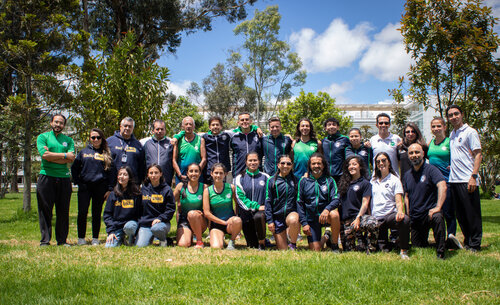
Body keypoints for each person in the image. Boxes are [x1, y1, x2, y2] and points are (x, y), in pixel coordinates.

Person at [447, 105, 483, 252]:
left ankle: (475, 244)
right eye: (450, 115)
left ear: (462, 115)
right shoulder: (452, 134)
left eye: (456, 114)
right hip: (454, 179)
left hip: (467, 179)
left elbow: (478, 154)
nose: (454, 117)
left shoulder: (470, 132)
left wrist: (473, 176)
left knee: (472, 213)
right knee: (461, 214)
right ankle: (467, 241)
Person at [36, 114, 75, 246]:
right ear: (51, 123)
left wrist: (52, 156)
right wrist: (64, 155)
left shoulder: (68, 140)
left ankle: (62, 240)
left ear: (64, 125)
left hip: (64, 178)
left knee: (63, 210)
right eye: (56, 122)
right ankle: (45, 240)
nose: (58, 125)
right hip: (46, 176)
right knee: (45, 210)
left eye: (61, 123)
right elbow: (45, 155)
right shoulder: (43, 137)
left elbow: (71, 158)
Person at [403, 143, 447, 259]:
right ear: (408, 156)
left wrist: (438, 207)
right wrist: (408, 214)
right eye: (411, 153)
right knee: (418, 246)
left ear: (423, 154)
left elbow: (442, 186)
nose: (414, 155)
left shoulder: (431, 170)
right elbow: (406, 196)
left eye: (417, 152)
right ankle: (445, 243)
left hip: (430, 214)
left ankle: (441, 251)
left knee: (438, 217)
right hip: (416, 217)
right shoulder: (407, 175)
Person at [71, 128, 113, 246]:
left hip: (100, 188)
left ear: (102, 139)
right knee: (82, 212)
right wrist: (78, 182)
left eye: (98, 137)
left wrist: (109, 189)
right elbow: (74, 168)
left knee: (96, 213)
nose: (95, 140)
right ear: (89, 139)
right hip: (85, 187)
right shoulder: (83, 152)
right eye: (93, 137)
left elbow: (111, 172)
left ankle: (95, 238)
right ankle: (81, 238)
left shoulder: (107, 153)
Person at [428, 116, 462, 249]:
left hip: (446, 181)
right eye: (434, 126)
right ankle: (439, 237)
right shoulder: (431, 143)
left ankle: (451, 237)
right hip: (433, 184)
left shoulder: (449, 142)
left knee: (448, 211)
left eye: (438, 126)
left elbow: (458, 157)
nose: (436, 129)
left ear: (444, 127)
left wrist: (452, 165)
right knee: (437, 211)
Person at [297, 153, 340, 251]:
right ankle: (327, 236)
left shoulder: (330, 180)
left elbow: (336, 199)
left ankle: (334, 245)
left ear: (323, 165)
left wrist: (327, 209)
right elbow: (300, 203)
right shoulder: (303, 181)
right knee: (315, 250)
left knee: (335, 214)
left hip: (325, 216)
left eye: (319, 163)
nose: (316, 166)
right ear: (310, 166)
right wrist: (304, 223)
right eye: (313, 164)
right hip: (311, 219)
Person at [370, 152, 411, 259]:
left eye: (383, 160)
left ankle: (403, 250)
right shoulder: (373, 181)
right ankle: (389, 243)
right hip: (376, 219)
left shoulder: (394, 180)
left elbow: (398, 200)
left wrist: (400, 212)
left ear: (389, 162)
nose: (381, 163)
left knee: (405, 220)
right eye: (378, 162)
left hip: (389, 215)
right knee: (381, 248)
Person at [338, 155, 377, 253]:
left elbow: (365, 203)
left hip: (359, 218)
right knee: (349, 251)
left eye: (354, 164)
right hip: (346, 222)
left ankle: (371, 249)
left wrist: (358, 218)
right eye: (349, 165)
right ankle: (360, 241)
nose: (351, 166)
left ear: (360, 167)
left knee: (373, 223)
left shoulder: (365, 183)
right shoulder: (343, 183)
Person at [234, 152, 270, 250]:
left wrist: (264, 207)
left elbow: (269, 195)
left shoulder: (265, 177)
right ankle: (261, 240)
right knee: (252, 245)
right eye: (250, 160)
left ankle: (262, 243)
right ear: (246, 162)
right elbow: (240, 198)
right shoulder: (239, 178)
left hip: (261, 212)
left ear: (259, 162)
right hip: (246, 213)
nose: (252, 162)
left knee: (259, 216)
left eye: (255, 160)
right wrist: (255, 206)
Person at [203, 163, 243, 249]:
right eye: (216, 173)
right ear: (211, 174)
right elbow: (207, 213)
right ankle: (221, 239)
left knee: (238, 220)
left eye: (221, 173)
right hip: (216, 224)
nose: (218, 175)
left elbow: (237, 204)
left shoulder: (231, 188)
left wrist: (234, 218)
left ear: (225, 174)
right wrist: (223, 222)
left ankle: (232, 241)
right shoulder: (207, 191)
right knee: (216, 247)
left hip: (230, 223)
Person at [265, 155, 300, 250]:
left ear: (292, 166)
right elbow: (268, 201)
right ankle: (286, 237)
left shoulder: (296, 180)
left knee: (294, 220)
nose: (285, 165)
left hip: (291, 214)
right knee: (283, 249)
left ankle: (293, 244)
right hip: (277, 217)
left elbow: (300, 201)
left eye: (288, 163)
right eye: (283, 163)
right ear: (278, 165)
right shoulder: (271, 180)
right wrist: (270, 221)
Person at [136, 164, 175, 247]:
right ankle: (149, 237)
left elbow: (171, 209)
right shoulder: (143, 189)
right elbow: (138, 207)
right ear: (148, 174)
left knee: (156, 228)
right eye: (151, 173)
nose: (153, 175)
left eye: (156, 173)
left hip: (161, 223)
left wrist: (160, 218)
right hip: (146, 224)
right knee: (140, 246)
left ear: (161, 174)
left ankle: (163, 240)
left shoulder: (167, 189)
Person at [103, 166, 142, 247]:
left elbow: (140, 213)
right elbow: (107, 215)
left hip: (131, 225)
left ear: (130, 178)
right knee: (109, 247)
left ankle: (131, 239)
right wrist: (111, 232)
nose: (122, 177)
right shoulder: (113, 194)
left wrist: (138, 229)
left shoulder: (136, 194)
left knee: (130, 227)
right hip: (117, 227)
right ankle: (121, 239)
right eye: (120, 174)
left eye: (125, 174)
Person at [174, 163, 207, 248]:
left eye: (196, 171)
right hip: (184, 220)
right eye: (191, 171)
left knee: (192, 214)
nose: (193, 173)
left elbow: (210, 208)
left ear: (200, 173)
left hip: (199, 220)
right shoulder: (180, 186)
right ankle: (190, 235)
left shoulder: (204, 187)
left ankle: (199, 241)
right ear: (187, 173)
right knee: (183, 244)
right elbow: (170, 203)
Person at [107, 117, 145, 184]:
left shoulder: (138, 145)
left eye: (130, 127)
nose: (127, 128)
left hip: (132, 184)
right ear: (120, 126)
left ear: (133, 128)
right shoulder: (109, 142)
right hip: (113, 183)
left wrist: (139, 183)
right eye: (125, 126)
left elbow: (141, 166)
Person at [173, 116, 206, 183]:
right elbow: (174, 160)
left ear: (194, 126)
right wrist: (179, 175)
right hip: (182, 177)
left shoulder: (200, 140)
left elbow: (204, 159)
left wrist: (196, 172)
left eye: (190, 124)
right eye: (186, 124)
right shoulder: (178, 141)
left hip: (196, 177)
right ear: (182, 127)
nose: (188, 126)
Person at [230, 112, 262, 178]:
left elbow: (271, 137)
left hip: (256, 173)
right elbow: (217, 134)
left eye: (247, 119)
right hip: (238, 172)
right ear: (238, 122)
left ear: (250, 121)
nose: (244, 121)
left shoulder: (258, 134)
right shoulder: (232, 135)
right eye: (242, 120)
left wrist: (287, 136)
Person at [143, 119, 174, 186]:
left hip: (166, 179)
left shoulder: (170, 143)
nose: (160, 131)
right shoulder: (147, 143)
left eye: (162, 129)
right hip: (150, 179)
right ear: (153, 130)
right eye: (157, 129)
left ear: (165, 130)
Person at [322, 117, 350, 184]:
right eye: (329, 125)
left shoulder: (345, 139)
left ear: (338, 127)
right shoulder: (323, 141)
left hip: (341, 175)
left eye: (334, 124)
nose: (331, 126)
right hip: (327, 175)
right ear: (325, 128)